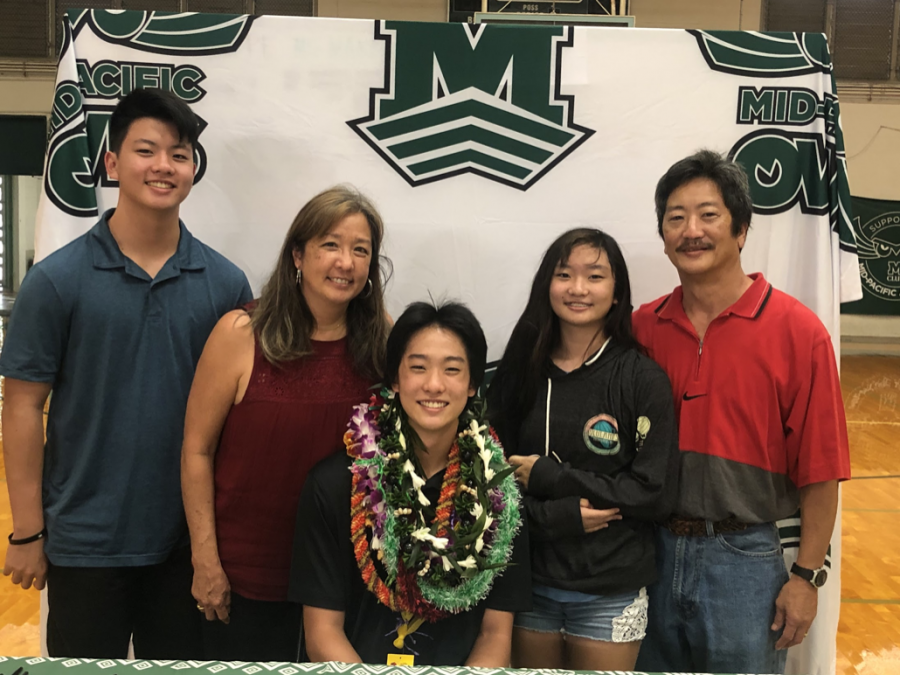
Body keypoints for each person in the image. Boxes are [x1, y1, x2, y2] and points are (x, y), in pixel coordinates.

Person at [0, 88, 252, 658]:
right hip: (85, 547)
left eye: (180, 153)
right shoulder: (57, 281)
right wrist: (27, 532)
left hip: (185, 549)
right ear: (112, 164)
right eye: (146, 150)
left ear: (192, 170)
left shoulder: (226, 284)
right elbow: (20, 407)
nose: (164, 165)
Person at [632, 149, 851, 674]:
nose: (691, 231)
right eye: (676, 217)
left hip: (747, 563)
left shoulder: (798, 333)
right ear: (663, 236)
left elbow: (821, 469)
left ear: (742, 229)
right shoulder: (642, 328)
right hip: (649, 554)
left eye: (709, 215)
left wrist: (806, 578)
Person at [181, 185, 391, 662]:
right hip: (245, 580)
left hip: (346, 584)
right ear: (298, 253)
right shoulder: (240, 334)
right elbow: (196, 450)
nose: (346, 262)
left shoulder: (383, 342)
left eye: (361, 250)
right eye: (331, 245)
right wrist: (205, 560)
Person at [292, 301, 531, 666]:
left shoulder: (499, 497)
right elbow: (323, 632)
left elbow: (495, 633)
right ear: (395, 379)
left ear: (472, 385)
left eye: (452, 370)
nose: (433, 385)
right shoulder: (336, 485)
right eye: (418, 367)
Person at [487, 228, 679, 671]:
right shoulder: (519, 372)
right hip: (527, 581)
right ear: (546, 285)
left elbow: (653, 493)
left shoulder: (641, 378)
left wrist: (553, 478)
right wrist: (557, 517)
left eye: (594, 277)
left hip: (610, 588)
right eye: (564, 275)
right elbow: (489, 486)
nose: (577, 289)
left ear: (616, 293)